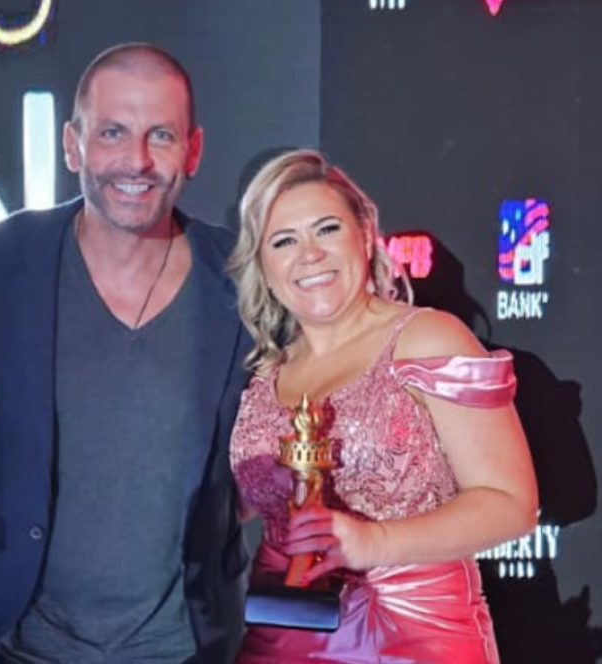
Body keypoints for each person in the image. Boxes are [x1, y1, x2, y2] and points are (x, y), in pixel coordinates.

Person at [0, 43, 251, 664]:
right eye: (113, 132)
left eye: (161, 135)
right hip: (24, 646)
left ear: (193, 150)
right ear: (73, 144)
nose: (137, 161)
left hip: (185, 647)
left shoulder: (243, 279)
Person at [227, 148, 539, 663]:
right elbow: (231, 508)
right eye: (284, 240)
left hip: (409, 639)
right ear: (262, 265)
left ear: (364, 232)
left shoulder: (426, 338)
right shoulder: (263, 373)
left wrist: (375, 542)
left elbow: (512, 504)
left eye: (326, 229)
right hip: (281, 638)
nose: (309, 254)